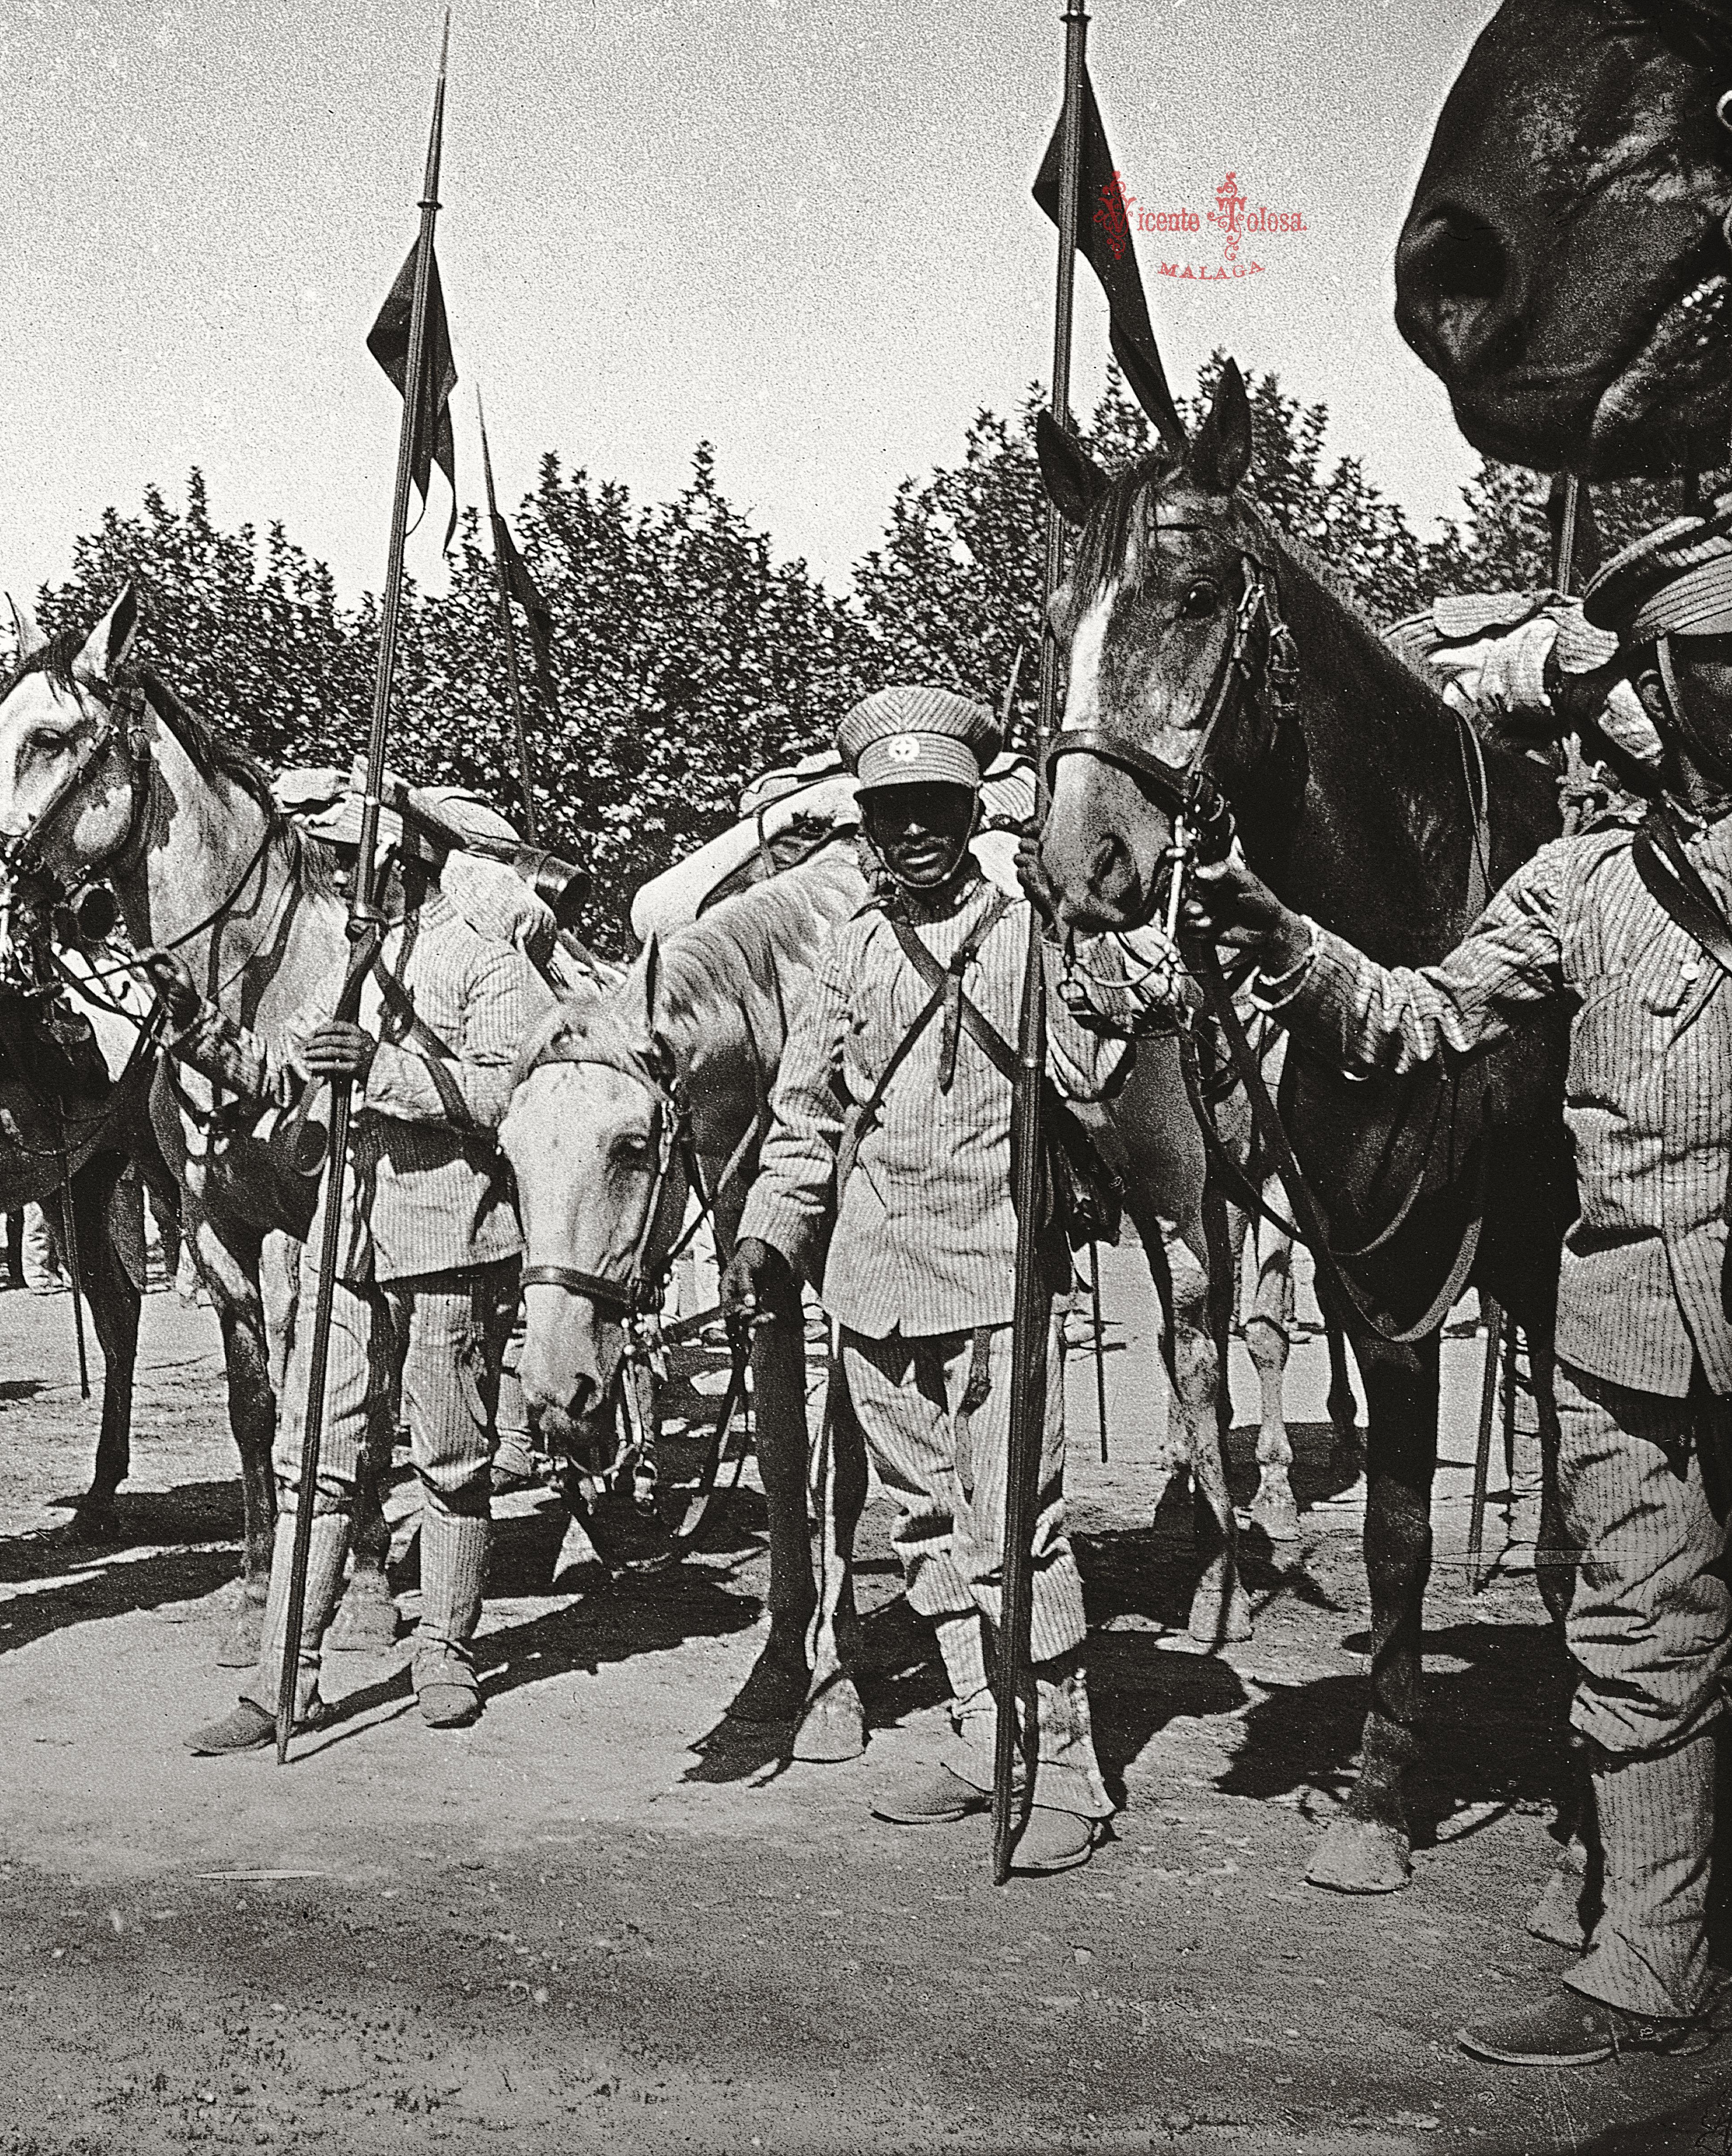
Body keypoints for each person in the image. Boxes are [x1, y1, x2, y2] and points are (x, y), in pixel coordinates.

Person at [1183, 502, 1732, 2066]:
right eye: (1695, 667)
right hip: (1628, 1341)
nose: (1703, 701)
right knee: (1641, 1652)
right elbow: (1420, 1014)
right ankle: (1647, 1965)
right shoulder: (1575, 887)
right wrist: (1286, 939)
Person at [721, 685, 1113, 1875]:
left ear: (970, 812)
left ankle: (1073, 1771)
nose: (915, 835)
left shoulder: (1033, 938)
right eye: (892, 815)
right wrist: (766, 1237)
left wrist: (1086, 943)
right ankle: (981, 1732)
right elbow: (801, 1119)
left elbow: (1098, 1071)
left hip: (997, 1280)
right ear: (870, 827)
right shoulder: (841, 957)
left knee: (1015, 1535)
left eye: (935, 809)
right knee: (926, 1531)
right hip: (873, 1287)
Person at [146, 797, 550, 1748]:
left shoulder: (485, 961)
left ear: (405, 860)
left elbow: (512, 1092)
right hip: (342, 1234)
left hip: (448, 1234)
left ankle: (445, 1649)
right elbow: (280, 1075)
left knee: (448, 1454)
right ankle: (286, 1672)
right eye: (329, 857)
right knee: (311, 1456)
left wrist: (384, 1069)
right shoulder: (340, 966)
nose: (332, 874)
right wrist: (197, 1031)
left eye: (349, 857)